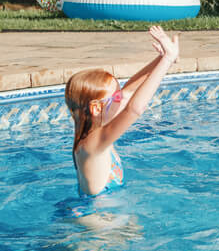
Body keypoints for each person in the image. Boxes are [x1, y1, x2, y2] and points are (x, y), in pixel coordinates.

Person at [64, 25, 179, 197]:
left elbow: (129, 92)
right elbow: (135, 108)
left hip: (102, 211)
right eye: (116, 97)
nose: (122, 99)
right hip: (96, 219)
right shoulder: (92, 143)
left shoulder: (93, 128)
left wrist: (162, 59)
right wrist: (168, 59)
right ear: (96, 108)